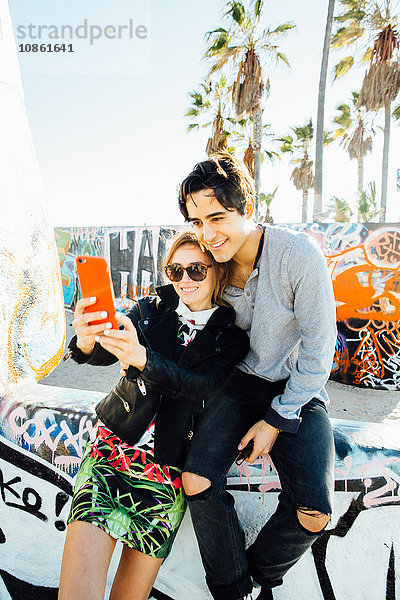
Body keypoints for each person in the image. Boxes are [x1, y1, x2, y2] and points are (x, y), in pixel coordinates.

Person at [178, 153, 337, 600]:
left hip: (297, 387)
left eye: (218, 217)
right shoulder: (211, 261)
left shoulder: (298, 256)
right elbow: (176, 309)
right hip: (237, 384)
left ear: (247, 206)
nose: (208, 234)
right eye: (197, 221)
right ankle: (233, 592)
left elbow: (319, 352)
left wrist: (276, 421)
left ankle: (255, 577)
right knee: (197, 481)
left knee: (314, 512)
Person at [58, 231, 249, 600]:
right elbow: (108, 351)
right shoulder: (149, 309)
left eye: (196, 269)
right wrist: (85, 340)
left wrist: (142, 358)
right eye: (175, 271)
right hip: (109, 457)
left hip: (167, 475)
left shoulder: (231, 337)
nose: (186, 280)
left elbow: (199, 385)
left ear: (218, 272)